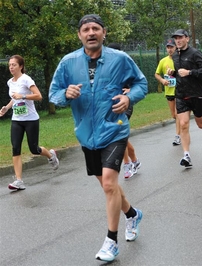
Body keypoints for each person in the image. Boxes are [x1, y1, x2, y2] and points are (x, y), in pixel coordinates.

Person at [49, 14, 148, 262]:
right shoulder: (68, 62)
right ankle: (133, 214)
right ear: (79, 35)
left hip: (114, 129)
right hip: (86, 133)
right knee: (109, 185)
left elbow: (141, 84)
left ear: (104, 33)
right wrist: (65, 94)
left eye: (95, 28)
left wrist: (128, 98)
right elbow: (53, 94)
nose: (91, 32)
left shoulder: (120, 59)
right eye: (86, 29)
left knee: (108, 184)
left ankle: (111, 242)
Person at [0, 55, 59, 191]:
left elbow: (39, 96)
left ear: (21, 66)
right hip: (17, 120)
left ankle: (51, 155)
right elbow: (14, 99)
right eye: (9, 65)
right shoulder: (10, 82)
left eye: (14, 65)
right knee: (15, 148)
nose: (11, 67)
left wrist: (24, 96)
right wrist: (6, 108)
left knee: (34, 149)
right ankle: (19, 181)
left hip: (31, 119)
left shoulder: (26, 79)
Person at [167, 29, 202, 168]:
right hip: (181, 95)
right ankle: (186, 156)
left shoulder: (195, 53)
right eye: (176, 38)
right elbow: (180, 73)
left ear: (187, 39)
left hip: (196, 94)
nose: (177, 40)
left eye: (180, 38)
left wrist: (190, 72)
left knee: (200, 124)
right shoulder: (176, 56)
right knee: (183, 124)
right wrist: (173, 73)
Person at [108, 42, 141, 179]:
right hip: (112, 105)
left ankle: (127, 165)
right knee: (122, 137)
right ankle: (135, 161)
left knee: (118, 134)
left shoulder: (127, 66)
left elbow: (139, 83)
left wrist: (130, 90)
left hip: (125, 104)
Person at [154, 38, 181, 146]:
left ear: (176, 48)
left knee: (178, 114)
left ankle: (178, 136)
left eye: (172, 47)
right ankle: (183, 126)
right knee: (174, 115)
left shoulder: (179, 59)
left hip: (179, 90)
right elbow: (156, 74)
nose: (170, 49)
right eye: (168, 47)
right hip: (169, 90)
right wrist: (162, 80)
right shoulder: (163, 61)